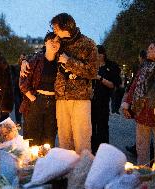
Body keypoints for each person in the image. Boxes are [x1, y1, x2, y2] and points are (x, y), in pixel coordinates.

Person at [52, 13, 98, 153]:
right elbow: (39, 55)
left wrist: (68, 61)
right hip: (61, 97)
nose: (54, 29)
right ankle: (66, 172)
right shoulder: (57, 42)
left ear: (66, 26)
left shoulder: (88, 44)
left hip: (80, 99)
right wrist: (23, 60)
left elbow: (92, 72)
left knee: (82, 140)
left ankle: (82, 173)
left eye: (56, 27)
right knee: (64, 140)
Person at [122, 41, 155, 164]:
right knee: (141, 146)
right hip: (141, 109)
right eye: (148, 48)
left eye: (151, 48)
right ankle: (141, 170)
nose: (148, 50)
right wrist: (127, 102)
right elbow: (135, 85)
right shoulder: (144, 66)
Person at [19, 32, 60, 147]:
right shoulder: (35, 60)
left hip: (54, 103)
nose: (54, 44)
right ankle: (32, 163)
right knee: (33, 136)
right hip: (36, 100)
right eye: (52, 41)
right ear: (45, 42)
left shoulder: (61, 62)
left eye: (57, 41)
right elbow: (23, 82)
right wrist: (32, 98)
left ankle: (46, 163)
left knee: (49, 137)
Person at [91, 45, 121, 154]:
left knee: (102, 126)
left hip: (103, 101)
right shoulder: (91, 66)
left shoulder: (111, 66)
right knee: (91, 126)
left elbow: (113, 85)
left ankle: (103, 151)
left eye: (98, 54)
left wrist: (100, 78)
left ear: (103, 54)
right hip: (90, 101)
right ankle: (92, 149)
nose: (96, 56)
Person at [125, 50, 147, 156]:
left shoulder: (144, 68)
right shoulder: (143, 68)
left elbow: (136, 88)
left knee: (144, 136)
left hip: (145, 107)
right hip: (144, 106)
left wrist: (129, 105)